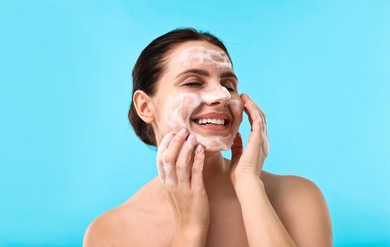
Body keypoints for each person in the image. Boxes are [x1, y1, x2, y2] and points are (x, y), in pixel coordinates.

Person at [83, 28, 332, 246]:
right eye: (193, 83)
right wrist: (190, 229)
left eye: (229, 84)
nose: (222, 95)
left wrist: (249, 185)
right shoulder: (110, 232)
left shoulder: (298, 198)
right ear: (145, 107)